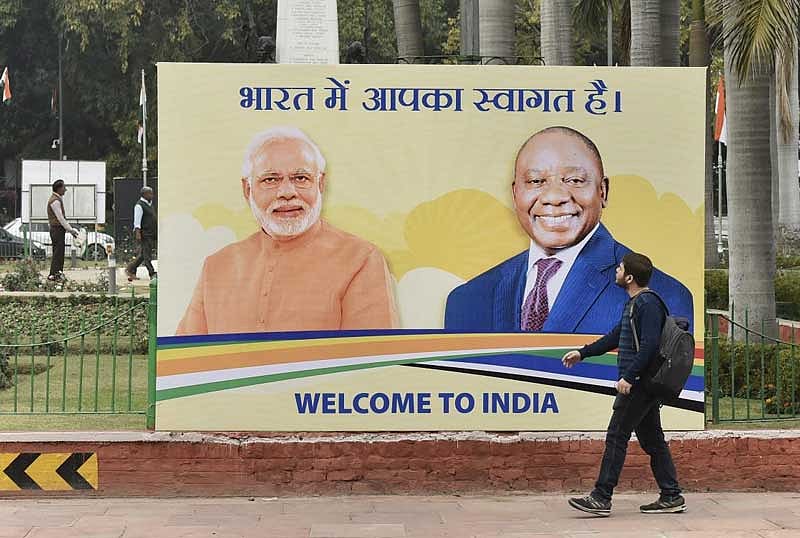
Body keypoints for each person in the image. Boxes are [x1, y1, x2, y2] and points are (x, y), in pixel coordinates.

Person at [444, 126, 693, 334]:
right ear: (515, 193)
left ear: (602, 191)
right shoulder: (467, 301)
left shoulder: (664, 297)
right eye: (535, 182)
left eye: (574, 180)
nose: (554, 197)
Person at [176, 126, 399, 335]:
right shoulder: (217, 267)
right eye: (270, 179)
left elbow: (373, 368)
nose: (286, 192)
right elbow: (184, 363)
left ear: (320, 185)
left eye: (300, 178)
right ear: (248, 190)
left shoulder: (360, 260)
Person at [563, 252, 685, 517]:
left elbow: (651, 345)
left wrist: (629, 376)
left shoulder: (647, 304)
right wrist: (582, 353)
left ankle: (601, 497)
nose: (615, 271)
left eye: (619, 268)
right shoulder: (634, 304)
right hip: (642, 383)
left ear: (629, 277)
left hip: (640, 384)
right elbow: (617, 335)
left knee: (617, 435)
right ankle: (671, 495)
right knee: (653, 440)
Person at [47, 179, 79, 281]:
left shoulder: (56, 199)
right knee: (58, 253)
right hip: (57, 229)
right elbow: (61, 218)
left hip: (57, 229)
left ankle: (57, 273)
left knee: (59, 252)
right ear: (59, 188)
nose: (65, 189)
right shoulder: (55, 201)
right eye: (64, 187)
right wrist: (71, 230)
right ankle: (54, 274)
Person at [126, 186, 157, 281]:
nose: (152, 195)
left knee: (144, 254)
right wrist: (138, 233)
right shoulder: (139, 205)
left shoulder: (150, 204)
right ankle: (152, 273)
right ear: (144, 194)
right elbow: (137, 221)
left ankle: (130, 269)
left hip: (151, 233)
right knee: (147, 255)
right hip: (144, 233)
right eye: (150, 193)